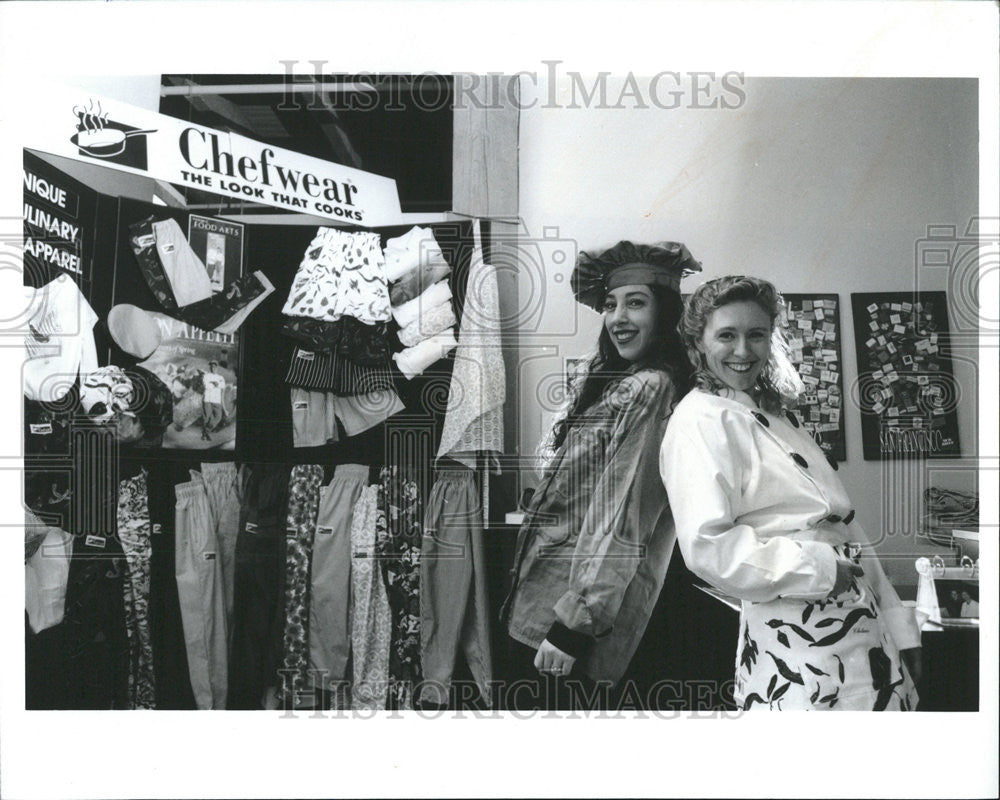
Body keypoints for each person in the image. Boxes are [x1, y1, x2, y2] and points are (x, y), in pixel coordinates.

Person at [660, 275, 922, 710]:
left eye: (756, 334)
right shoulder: (699, 421)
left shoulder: (777, 414)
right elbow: (708, 549)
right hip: (795, 633)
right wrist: (820, 568)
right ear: (698, 344)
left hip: (863, 621)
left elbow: (845, 525)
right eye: (726, 335)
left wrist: (900, 628)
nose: (743, 351)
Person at [500, 240, 701, 710]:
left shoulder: (652, 388)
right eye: (610, 305)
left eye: (636, 303)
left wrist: (574, 627)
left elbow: (623, 516)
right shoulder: (619, 385)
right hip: (546, 605)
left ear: (667, 313)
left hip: (575, 624)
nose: (618, 318)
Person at [201, 360, 226, 441]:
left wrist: (215, 383)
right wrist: (215, 384)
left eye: (214, 366)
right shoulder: (206, 376)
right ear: (210, 367)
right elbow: (206, 387)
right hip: (207, 399)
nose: (213, 368)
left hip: (216, 400)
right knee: (207, 417)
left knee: (218, 416)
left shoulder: (220, 377)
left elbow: (222, 386)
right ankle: (205, 434)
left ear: (217, 367)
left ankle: (206, 431)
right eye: (211, 366)